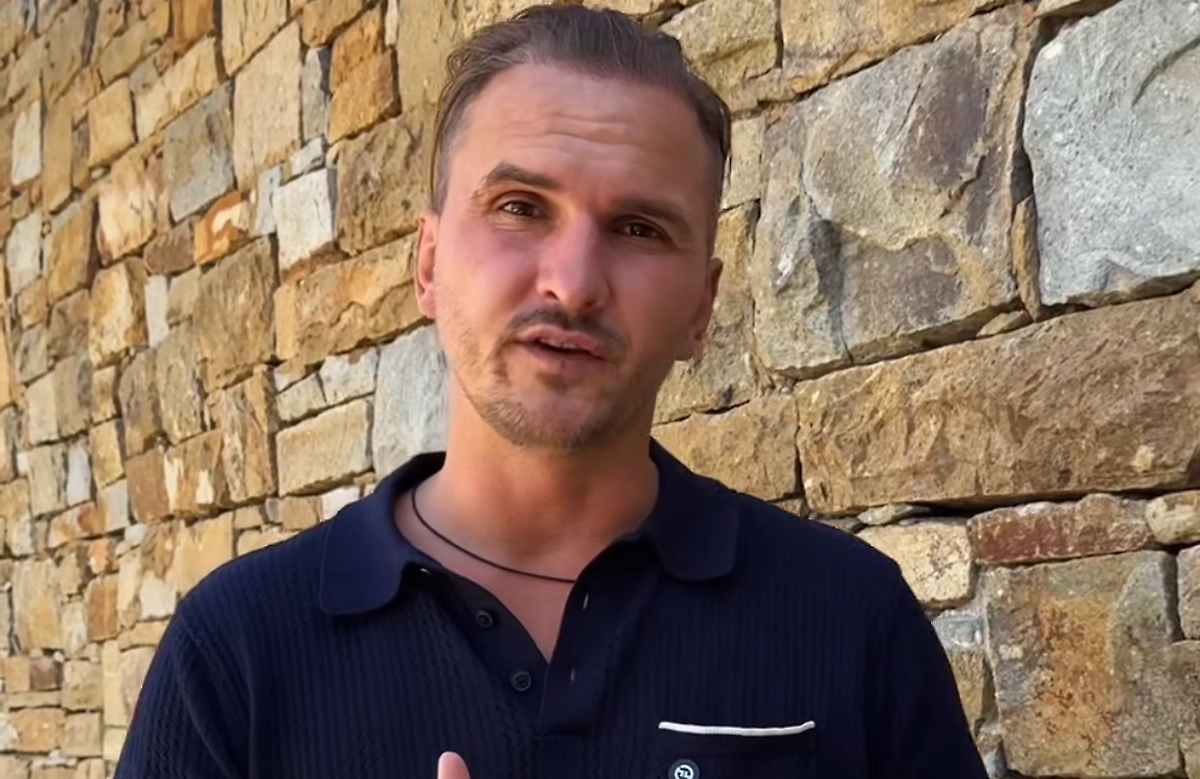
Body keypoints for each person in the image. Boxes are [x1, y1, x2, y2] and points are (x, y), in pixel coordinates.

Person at [115, 5, 987, 778]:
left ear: (701, 307)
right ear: (428, 264)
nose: (572, 282)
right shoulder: (237, 652)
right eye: (520, 207)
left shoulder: (849, 619)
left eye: (638, 228)